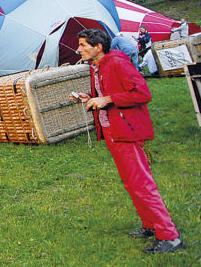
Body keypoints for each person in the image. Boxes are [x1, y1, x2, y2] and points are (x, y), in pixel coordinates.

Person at [73, 28, 183, 254]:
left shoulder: (117, 62)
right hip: (113, 130)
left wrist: (108, 99)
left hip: (127, 131)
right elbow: (106, 93)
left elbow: (142, 94)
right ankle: (150, 225)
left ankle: (169, 236)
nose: (78, 49)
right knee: (131, 182)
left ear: (98, 47)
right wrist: (91, 97)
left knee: (142, 183)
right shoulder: (98, 66)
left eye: (83, 45)